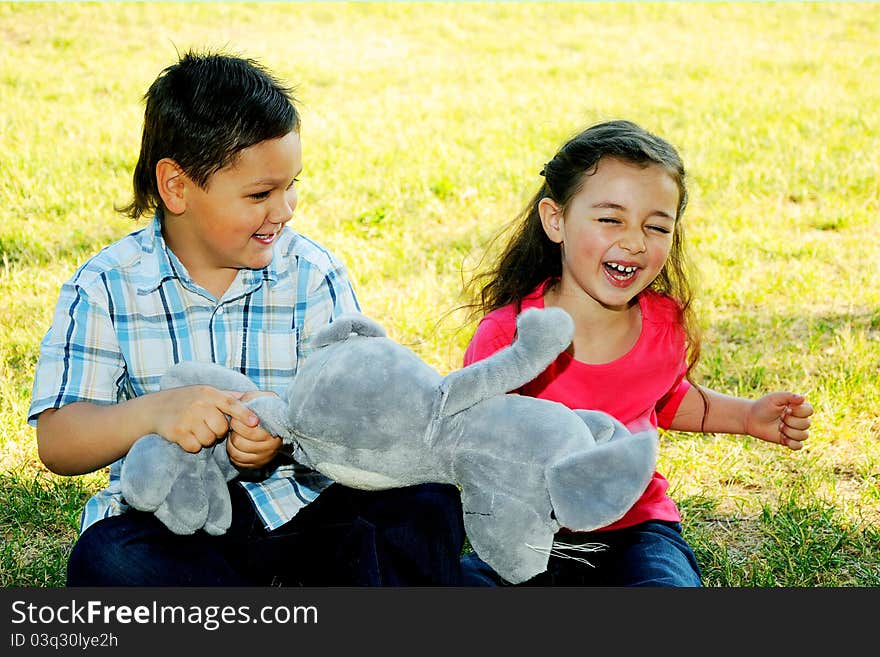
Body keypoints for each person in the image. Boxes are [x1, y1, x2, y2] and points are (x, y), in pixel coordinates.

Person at [29, 50, 465, 586]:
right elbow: (58, 440)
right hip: (178, 523)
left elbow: (362, 413)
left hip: (310, 511)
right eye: (261, 194)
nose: (284, 211)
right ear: (177, 187)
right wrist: (155, 413)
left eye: (290, 186)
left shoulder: (313, 273)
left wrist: (284, 433)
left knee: (425, 498)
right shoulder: (107, 285)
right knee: (110, 559)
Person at [458, 120, 813, 586]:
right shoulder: (511, 336)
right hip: (529, 532)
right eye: (610, 219)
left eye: (656, 225)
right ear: (556, 219)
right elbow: (468, 436)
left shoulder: (663, 323)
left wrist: (747, 417)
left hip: (638, 528)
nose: (634, 241)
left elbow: (663, 398)